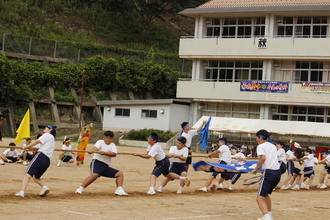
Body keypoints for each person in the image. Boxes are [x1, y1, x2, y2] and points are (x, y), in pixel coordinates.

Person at [75, 130, 127, 196]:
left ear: (112, 139)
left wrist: (105, 153)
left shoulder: (112, 145)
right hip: (97, 162)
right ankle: (80, 189)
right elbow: (95, 148)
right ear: (104, 137)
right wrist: (92, 150)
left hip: (105, 166)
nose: (108, 139)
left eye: (110, 138)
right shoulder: (100, 142)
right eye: (107, 138)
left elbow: (114, 154)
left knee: (120, 174)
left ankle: (119, 190)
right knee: (95, 175)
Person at [15, 125, 56, 198]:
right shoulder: (52, 139)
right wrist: (31, 149)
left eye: (46, 128)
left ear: (50, 130)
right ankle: (44, 187)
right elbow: (40, 147)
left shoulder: (47, 135)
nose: (44, 129)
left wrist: (26, 147)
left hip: (40, 156)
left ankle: (22, 191)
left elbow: (37, 141)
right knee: (36, 177)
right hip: (47, 160)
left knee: (27, 174)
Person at [251, 129, 281, 220]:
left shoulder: (261, 146)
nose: (256, 140)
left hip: (269, 172)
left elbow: (263, 158)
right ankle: (269, 214)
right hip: (277, 172)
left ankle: (266, 216)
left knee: (259, 198)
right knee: (266, 194)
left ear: (260, 138)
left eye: (257, 138)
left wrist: (256, 168)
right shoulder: (272, 146)